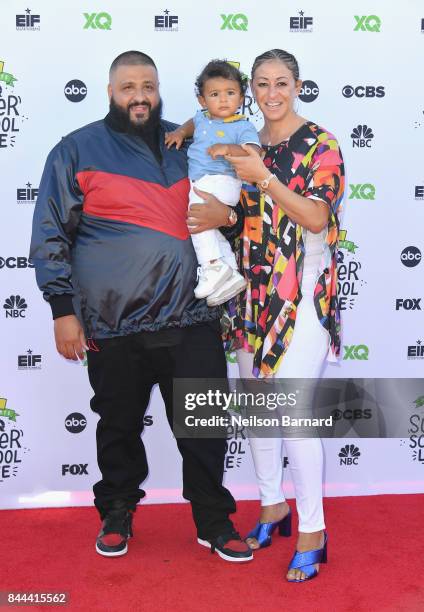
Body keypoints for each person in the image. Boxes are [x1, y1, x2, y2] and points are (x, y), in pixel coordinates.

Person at [29, 50, 253, 562]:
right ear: (110, 91)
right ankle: (116, 512)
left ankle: (213, 520)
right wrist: (62, 308)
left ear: (159, 91)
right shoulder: (75, 150)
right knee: (119, 427)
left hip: (192, 316)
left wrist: (233, 220)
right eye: (128, 86)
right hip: (113, 322)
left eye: (148, 86)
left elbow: (242, 210)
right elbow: (50, 234)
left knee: (205, 428)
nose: (139, 96)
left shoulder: (194, 142)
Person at [220, 48, 345, 581]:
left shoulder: (321, 143)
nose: (272, 92)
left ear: (297, 85)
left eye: (282, 82)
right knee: (255, 411)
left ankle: (314, 531)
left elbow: (316, 216)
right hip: (249, 295)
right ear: (251, 87)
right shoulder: (245, 143)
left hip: (302, 297)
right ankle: (273, 505)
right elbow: (245, 220)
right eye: (263, 83)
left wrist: (263, 177)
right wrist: (221, 212)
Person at [165, 60, 260, 306]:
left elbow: (254, 153)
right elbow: (191, 124)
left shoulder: (242, 125)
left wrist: (229, 148)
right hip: (204, 180)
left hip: (221, 181)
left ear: (241, 98)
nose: (223, 100)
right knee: (211, 228)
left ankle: (211, 266)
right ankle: (230, 272)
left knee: (196, 219)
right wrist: (178, 133)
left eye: (230, 93)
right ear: (203, 100)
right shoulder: (202, 118)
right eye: (215, 94)